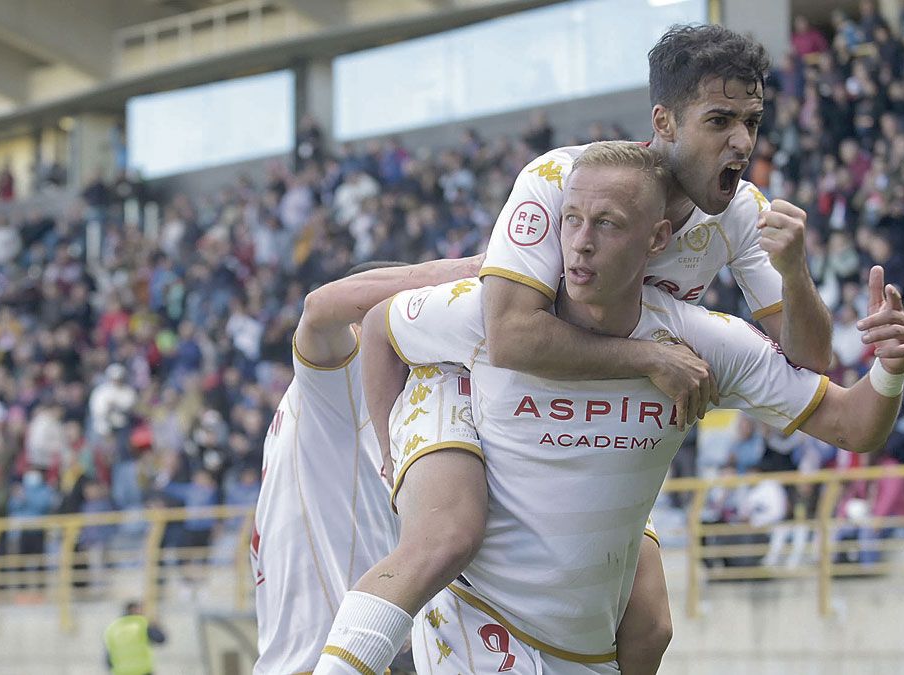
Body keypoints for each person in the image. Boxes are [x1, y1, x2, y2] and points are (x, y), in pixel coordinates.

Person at [320, 24, 834, 675]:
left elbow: (811, 361)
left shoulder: (740, 213)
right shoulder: (564, 177)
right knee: (447, 537)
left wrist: (795, 273)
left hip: (572, 417)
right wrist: (650, 359)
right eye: (720, 120)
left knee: (650, 623)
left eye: (752, 121)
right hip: (464, 376)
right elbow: (510, 334)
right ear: (665, 122)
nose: (743, 141)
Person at [251, 257, 479, 674]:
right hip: (331, 661)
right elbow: (319, 309)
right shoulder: (341, 382)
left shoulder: (351, 418)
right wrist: (468, 272)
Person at [104, 600, 166, 675]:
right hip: (142, 671)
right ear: (134, 609)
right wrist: (155, 625)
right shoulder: (142, 624)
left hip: (120, 672)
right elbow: (161, 639)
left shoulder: (113, 628)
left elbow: (108, 657)